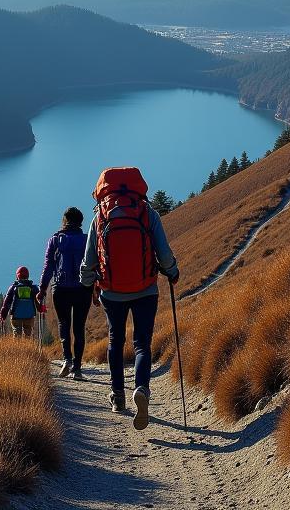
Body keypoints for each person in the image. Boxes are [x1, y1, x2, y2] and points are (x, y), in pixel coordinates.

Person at [81, 166, 179, 431]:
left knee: (115, 339)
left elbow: (89, 260)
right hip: (146, 289)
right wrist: (172, 272)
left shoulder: (100, 216)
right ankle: (142, 389)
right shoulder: (147, 213)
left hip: (112, 292)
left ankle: (117, 396)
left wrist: (87, 283)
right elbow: (165, 254)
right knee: (141, 344)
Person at [39, 206, 92, 379]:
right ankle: (77, 368)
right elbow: (94, 265)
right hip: (82, 289)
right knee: (79, 327)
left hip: (60, 288)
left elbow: (48, 267)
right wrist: (97, 287)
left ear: (65, 221)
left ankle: (67, 359)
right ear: (80, 222)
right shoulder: (87, 240)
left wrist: (42, 289)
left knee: (64, 323)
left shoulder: (55, 240)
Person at [0, 265, 39, 338]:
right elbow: (38, 300)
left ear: (17, 276)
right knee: (28, 333)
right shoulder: (33, 287)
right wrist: (40, 309)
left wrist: (3, 314)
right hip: (29, 315)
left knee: (17, 333)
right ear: (28, 276)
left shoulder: (13, 287)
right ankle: (28, 348)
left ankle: (18, 349)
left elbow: (7, 303)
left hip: (16, 316)